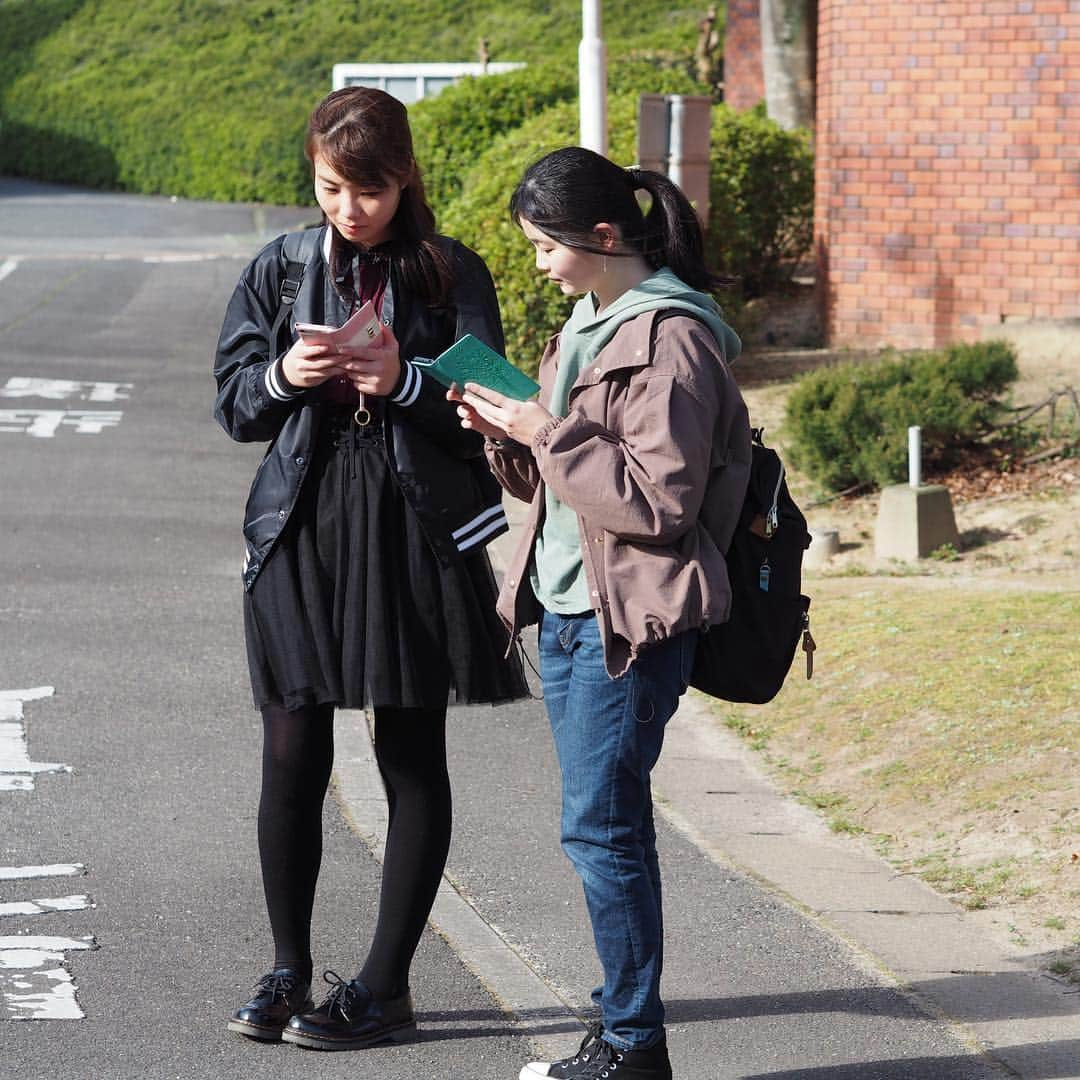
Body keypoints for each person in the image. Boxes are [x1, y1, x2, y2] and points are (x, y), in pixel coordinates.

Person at [212, 86, 527, 1052]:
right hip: (302, 522)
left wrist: (406, 381)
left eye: (370, 190)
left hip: (411, 525)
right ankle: (286, 969)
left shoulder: (447, 272)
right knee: (291, 749)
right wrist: (283, 378)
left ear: (406, 178)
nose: (350, 210)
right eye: (332, 188)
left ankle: (387, 984)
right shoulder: (282, 265)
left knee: (408, 751)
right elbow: (233, 400)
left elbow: (500, 404)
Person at [451, 146, 752, 1080]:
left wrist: (544, 429)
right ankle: (626, 1034)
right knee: (599, 823)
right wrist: (507, 436)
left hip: (632, 622)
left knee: (602, 827)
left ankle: (632, 1046)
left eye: (545, 246)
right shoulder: (584, 324)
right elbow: (571, 484)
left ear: (605, 237)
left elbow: (658, 503)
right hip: (572, 609)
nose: (539, 262)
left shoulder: (672, 338)